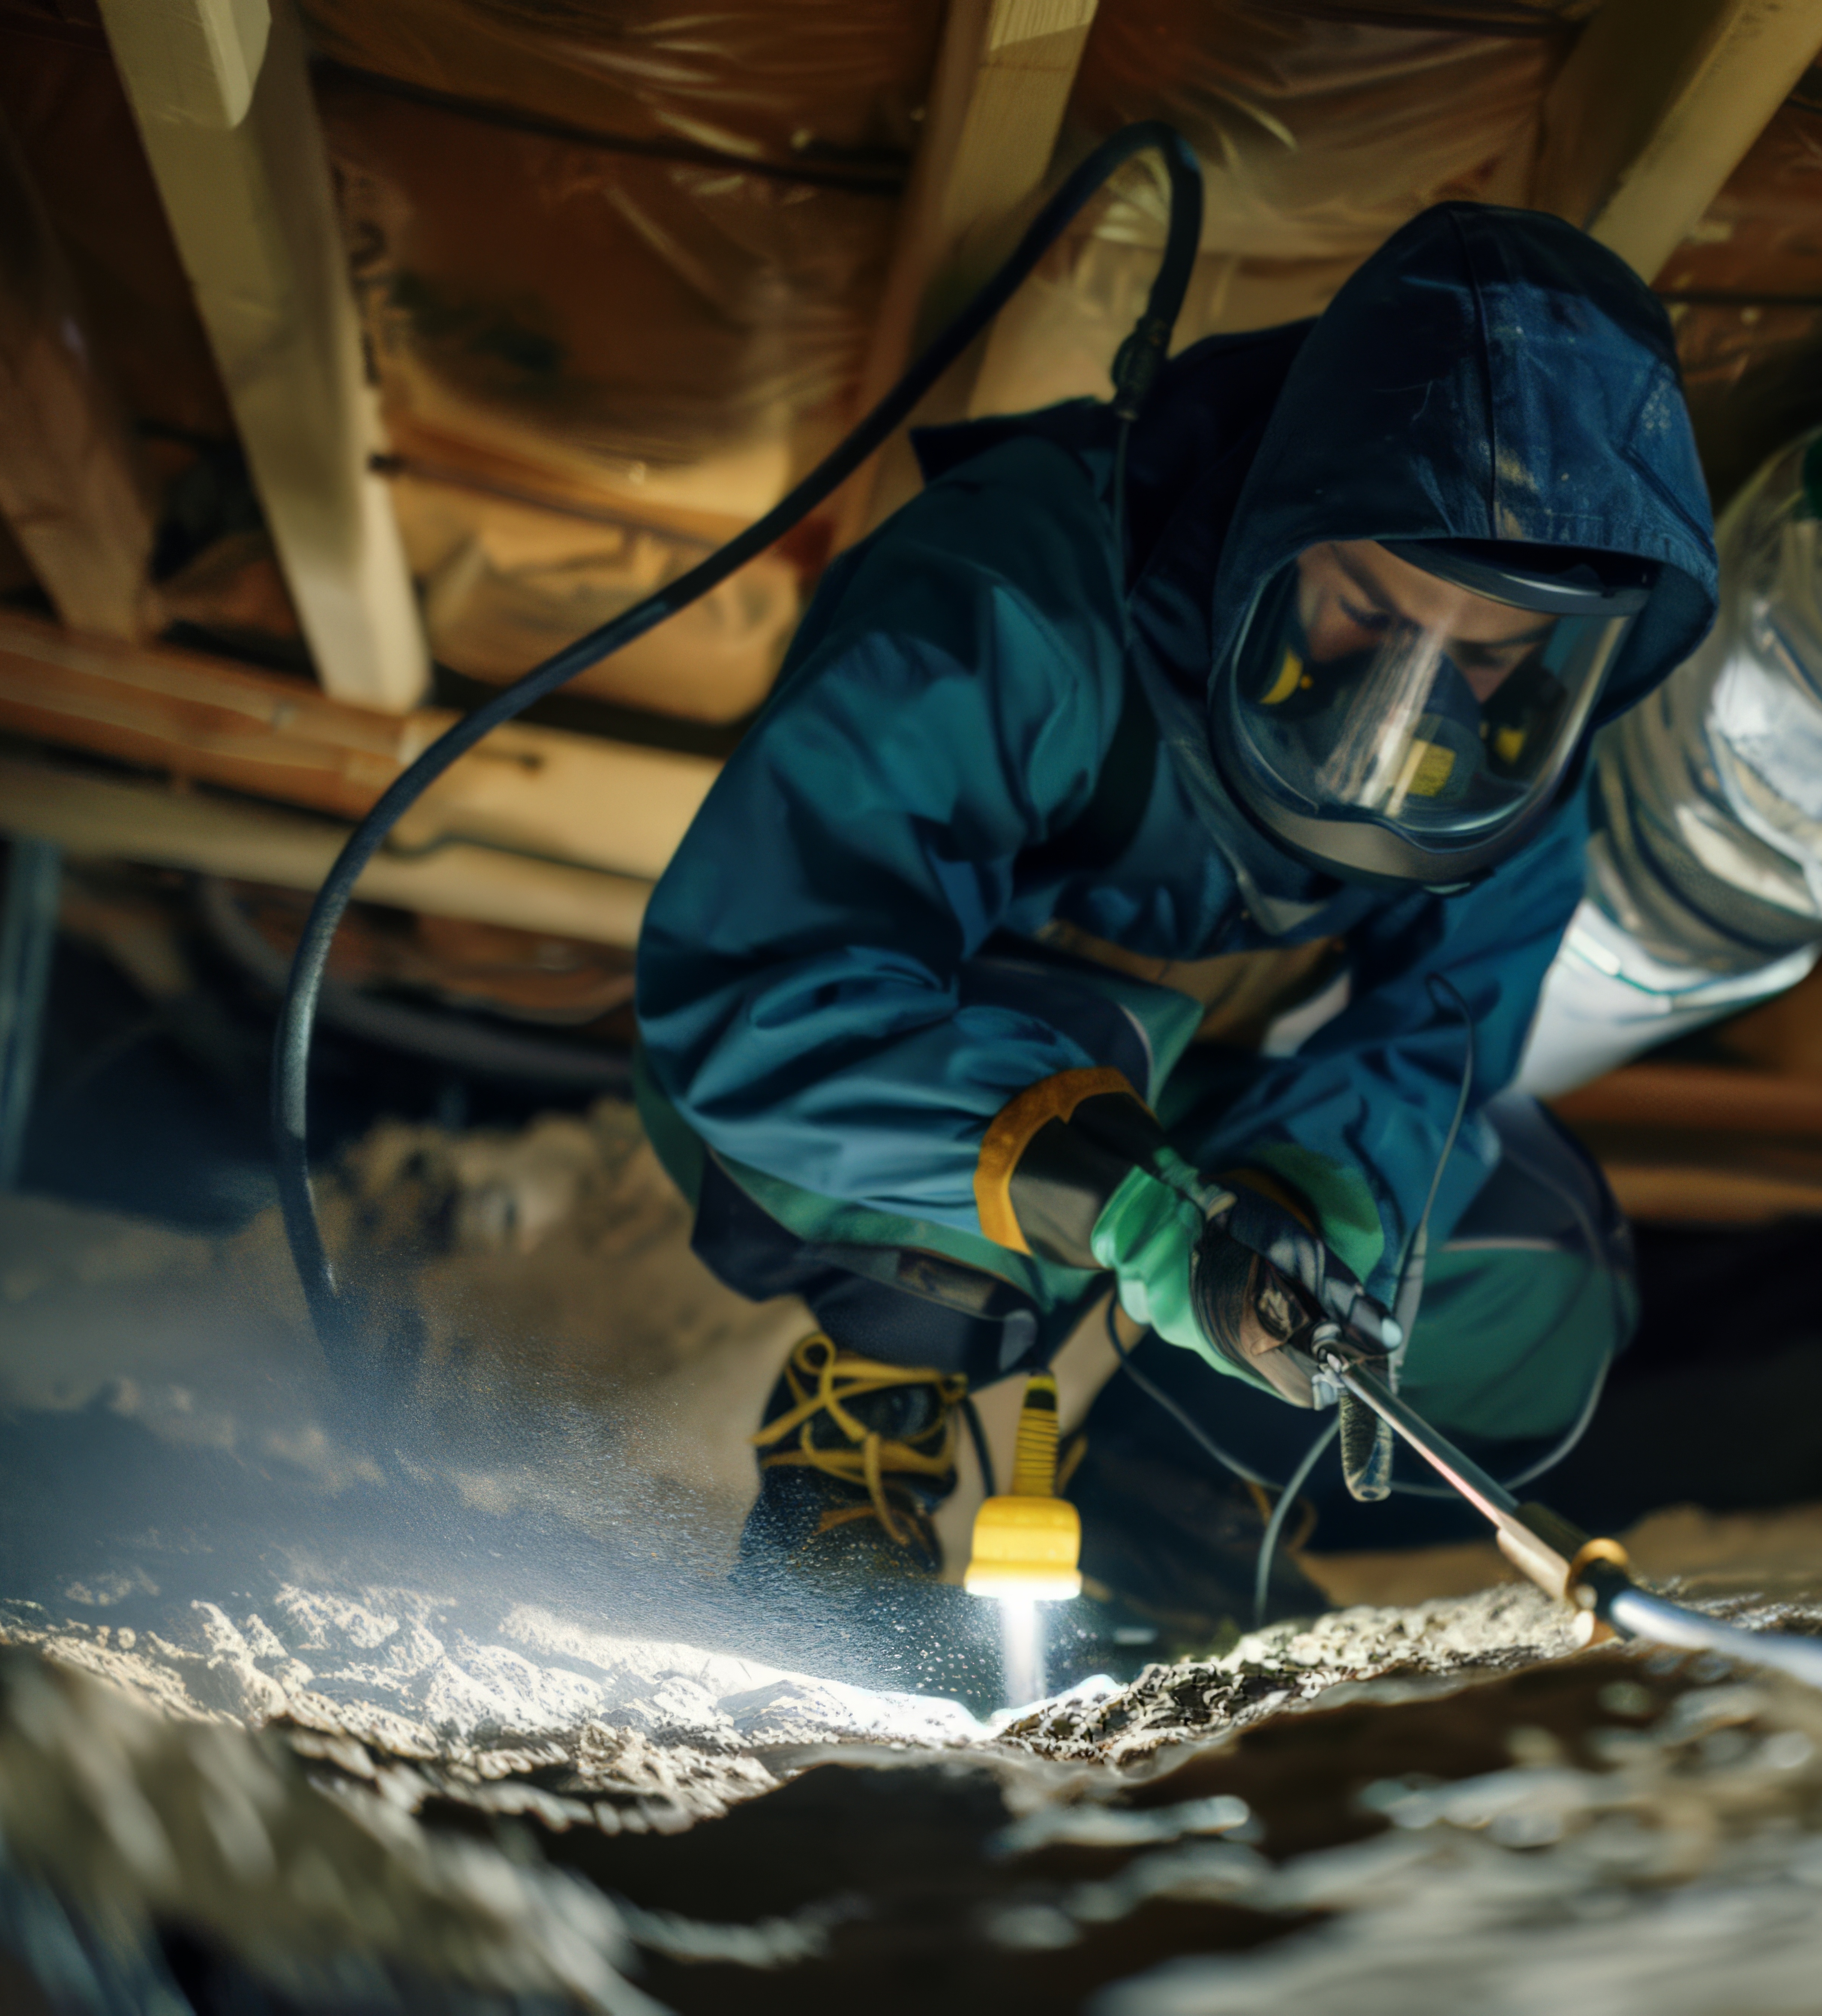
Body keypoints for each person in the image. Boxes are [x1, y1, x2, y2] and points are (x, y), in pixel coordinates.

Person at [630, 202, 1719, 1635]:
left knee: (1534, 1265)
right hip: (871, 1092)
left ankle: (1177, 1490)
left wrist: (1295, 1217)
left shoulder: (1520, 761)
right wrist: (1123, 1197)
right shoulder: (1012, 597)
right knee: (1077, 1052)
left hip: (1182, 1104)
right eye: (1367, 620)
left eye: (1495, 655)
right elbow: (767, 986)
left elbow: (1441, 1037)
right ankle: (865, 1435)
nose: (1419, 721)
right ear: (1288, 525)